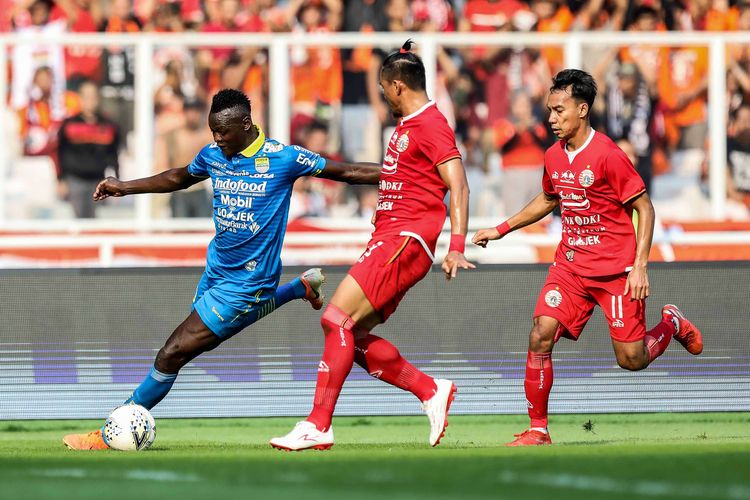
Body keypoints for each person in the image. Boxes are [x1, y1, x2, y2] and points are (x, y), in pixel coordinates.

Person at [62, 88, 381, 450]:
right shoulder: (214, 154)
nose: (216, 139)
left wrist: (402, 176)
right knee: (197, 344)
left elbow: (349, 171)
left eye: (222, 132)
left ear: (245, 124)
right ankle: (298, 289)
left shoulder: (283, 158)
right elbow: (179, 178)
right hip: (216, 271)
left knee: (173, 352)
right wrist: (125, 187)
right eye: (213, 131)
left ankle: (110, 432)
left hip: (250, 281)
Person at [472, 69, 704, 447]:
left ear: (582, 109)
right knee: (540, 334)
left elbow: (644, 208)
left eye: (559, 111)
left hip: (616, 271)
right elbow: (548, 199)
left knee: (631, 359)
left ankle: (671, 324)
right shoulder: (552, 155)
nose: (551, 118)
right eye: (549, 110)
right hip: (571, 267)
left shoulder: (609, 155)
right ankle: (538, 430)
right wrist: (501, 229)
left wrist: (640, 265)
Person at [270, 40, 474, 452]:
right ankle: (430, 389)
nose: (383, 97)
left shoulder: (432, 124)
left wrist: (456, 245)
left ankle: (318, 424)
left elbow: (459, 185)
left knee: (336, 320)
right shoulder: (408, 126)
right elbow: (409, 181)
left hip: (406, 240)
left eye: (384, 90)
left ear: (398, 86)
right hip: (390, 234)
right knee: (351, 335)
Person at [57, 80, 121, 218]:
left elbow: (114, 154)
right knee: (77, 224)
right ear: (79, 98)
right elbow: (60, 152)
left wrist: (117, 181)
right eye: (86, 97)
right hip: (75, 181)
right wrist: (61, 179)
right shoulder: (69, 124)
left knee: (96, 225)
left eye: (93, 97)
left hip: (98, 180)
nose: (90, 101)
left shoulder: (109, 125)